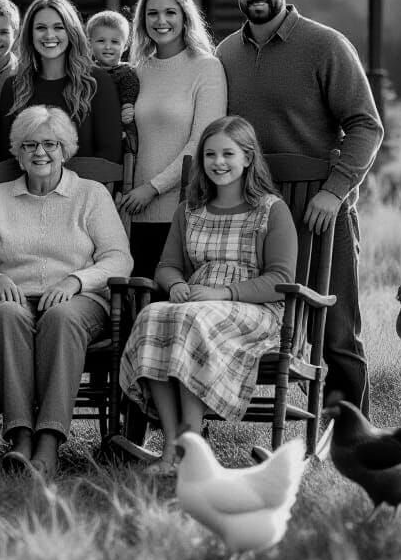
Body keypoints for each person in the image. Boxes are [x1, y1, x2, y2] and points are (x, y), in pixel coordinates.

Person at [216, 0, 383, 415]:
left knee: (334, 330)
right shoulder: (225, 53)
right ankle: (224, 415)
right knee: (249, 317)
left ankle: (352, 429)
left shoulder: (325, 45)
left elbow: (367, 126)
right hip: (251, 212)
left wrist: (335, 192)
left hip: (318, 208)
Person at [0, 107, 132, 479]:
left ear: (66, 149)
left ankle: (50, 441)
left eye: (51, 144)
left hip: (79, 302)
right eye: (30, 145)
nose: (41, 153)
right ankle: (20, 438)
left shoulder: (91, 194)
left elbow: (119, 259)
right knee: (5, 315)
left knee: (60, 317)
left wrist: (76, 281)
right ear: (17, 153)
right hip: (12, 299)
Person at [118, 115, 297, 473]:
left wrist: (221, 292)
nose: (218, 162)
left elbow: (280, 278)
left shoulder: (270, 210)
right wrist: (177, 285)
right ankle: (170, 446)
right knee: (152, 315)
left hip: (255, 308)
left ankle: (192, 442)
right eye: (210, 155)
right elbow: (166, 266)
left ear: (248, 158)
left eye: (228, 154)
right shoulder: (190, 210)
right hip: (196, 300)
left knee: (193, 320)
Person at [116, 0, 227, 280]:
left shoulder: (206, 67)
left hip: (181, 208)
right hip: (132, 208)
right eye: (152, 13)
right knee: (133, 304)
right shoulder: (138, 68)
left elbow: (201, 143)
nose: (161, 21)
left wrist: (151, 189)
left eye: (170, 12)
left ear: (185, 16)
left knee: (171, 299)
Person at [0, 0, 121, 163]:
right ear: (30, 35)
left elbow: (110, 155)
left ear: (71, 32)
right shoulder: (14, 86)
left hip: (85, 188)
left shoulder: (97, 82)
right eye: (40, 28)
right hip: (24, 188)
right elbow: (5, 157)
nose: (49, 35)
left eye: (58, 27)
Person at [85, 9, 140, 154]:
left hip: (120, 124)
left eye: (115, 42)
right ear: (89, 43)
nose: (108, 47)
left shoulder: (126, 72)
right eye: (101, 41)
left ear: (126, 45)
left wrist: (128, 106)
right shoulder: (86, 73)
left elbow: (130, 90)